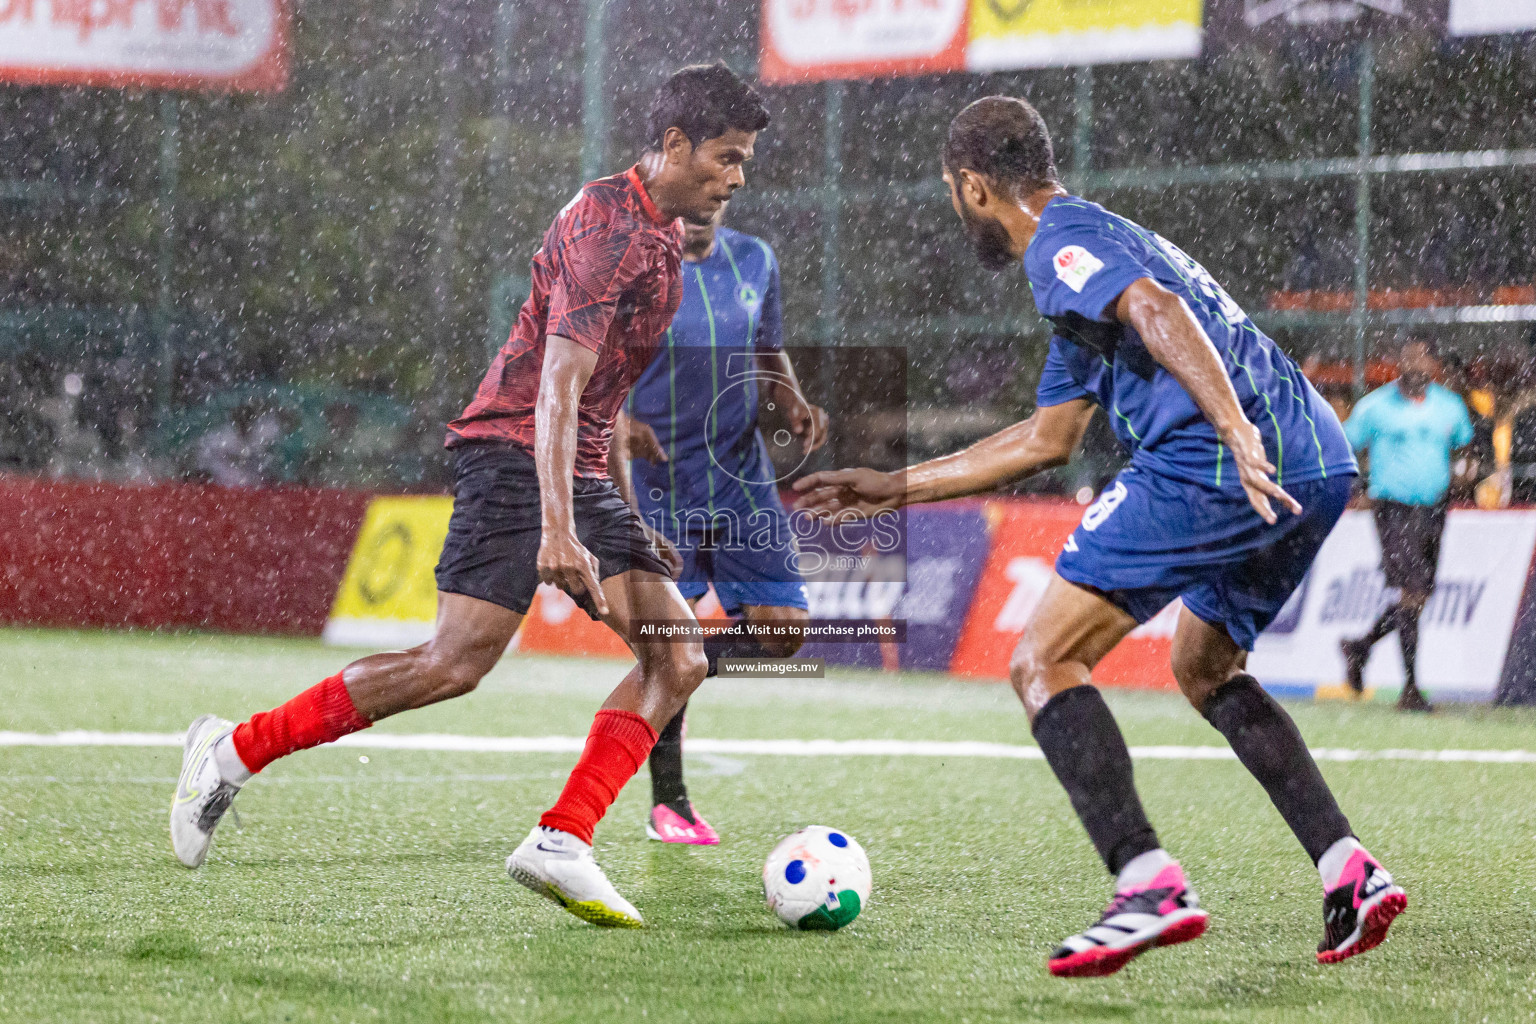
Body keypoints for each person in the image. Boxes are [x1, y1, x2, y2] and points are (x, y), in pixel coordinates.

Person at [794, 96, 1405, 977]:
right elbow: (1045, 441)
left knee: (1041, 662)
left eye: (951, 192)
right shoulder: (1091, 276)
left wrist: (1230, 426)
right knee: (1204, 667)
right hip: (1316, 462)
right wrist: (893, 486)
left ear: (971, 186)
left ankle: (1146, 883)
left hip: (1216, 461)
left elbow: (1154, 307)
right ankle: (1349, 869)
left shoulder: (1059, 243)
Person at [169, 61, 771, 930]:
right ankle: (230, 751)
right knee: (452, 666)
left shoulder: (659, 232)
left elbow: (603, 390)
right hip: (513, 454)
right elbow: (558, 387)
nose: (736, 177)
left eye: (743, 159)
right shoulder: (611, 225)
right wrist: (560, 530)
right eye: (725, 156)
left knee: (678, 657)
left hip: (572, 468)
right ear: (674, 144)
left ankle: (562, 840)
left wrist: (616, 511)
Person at [620, 203, 828, 844]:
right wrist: (612, 426)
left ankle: (680, 663)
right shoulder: (630, 270)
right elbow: (593, 366)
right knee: (666, 637)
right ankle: (670, 802)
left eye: (723, 192)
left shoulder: (755, 258)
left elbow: (767, 348)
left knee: (785, 634)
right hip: (661, 483)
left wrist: (790, 397)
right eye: (698, 194)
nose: (709, 207)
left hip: (741, 478)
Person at [1341, 338, 1474, 711]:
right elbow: (1344, 443)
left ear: (1432, 363)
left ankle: (1360, 646)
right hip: (1393, 510)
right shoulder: (1375, 407)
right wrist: (1356, 489)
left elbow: (1465, 446)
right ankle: (1411, 688)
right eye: (1408, 356)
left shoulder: (1449, 406)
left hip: (1434, 509)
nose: (1415, 363)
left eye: (1422, 356)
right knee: (1411, 593)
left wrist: (1467, 472)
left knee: (1419, 595)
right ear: (1398, 361)